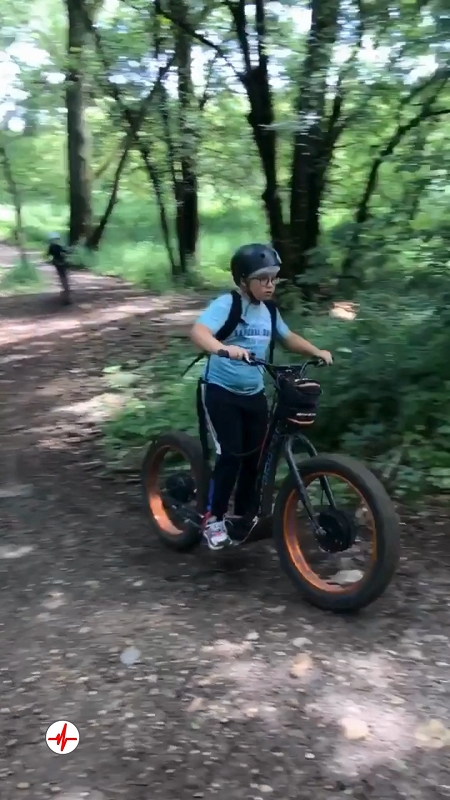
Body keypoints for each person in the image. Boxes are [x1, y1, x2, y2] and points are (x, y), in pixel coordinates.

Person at [190, 243, 333, 551]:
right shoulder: (227, 304)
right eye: (263, 279)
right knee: (231, 456)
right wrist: (222, 348)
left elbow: (287, 337)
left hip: (254, 394)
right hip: (220, 392)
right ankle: (212, 519)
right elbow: (199, 332)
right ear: (243, 280)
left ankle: (241, 516)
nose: (270, 285)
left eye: (274, 278)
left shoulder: (268, 310)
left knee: (254, 458)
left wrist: (316, 351)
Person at [46, 233, 72, 305]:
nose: (56, 241)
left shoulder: (51, 247)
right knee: (64, 278)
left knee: (62, 277)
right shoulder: (58, 247)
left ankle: (65, 293)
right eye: (56, 239)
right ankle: (66, 295)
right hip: (61, 263)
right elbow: (64, 253)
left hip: (57, 263)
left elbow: (48, 255)